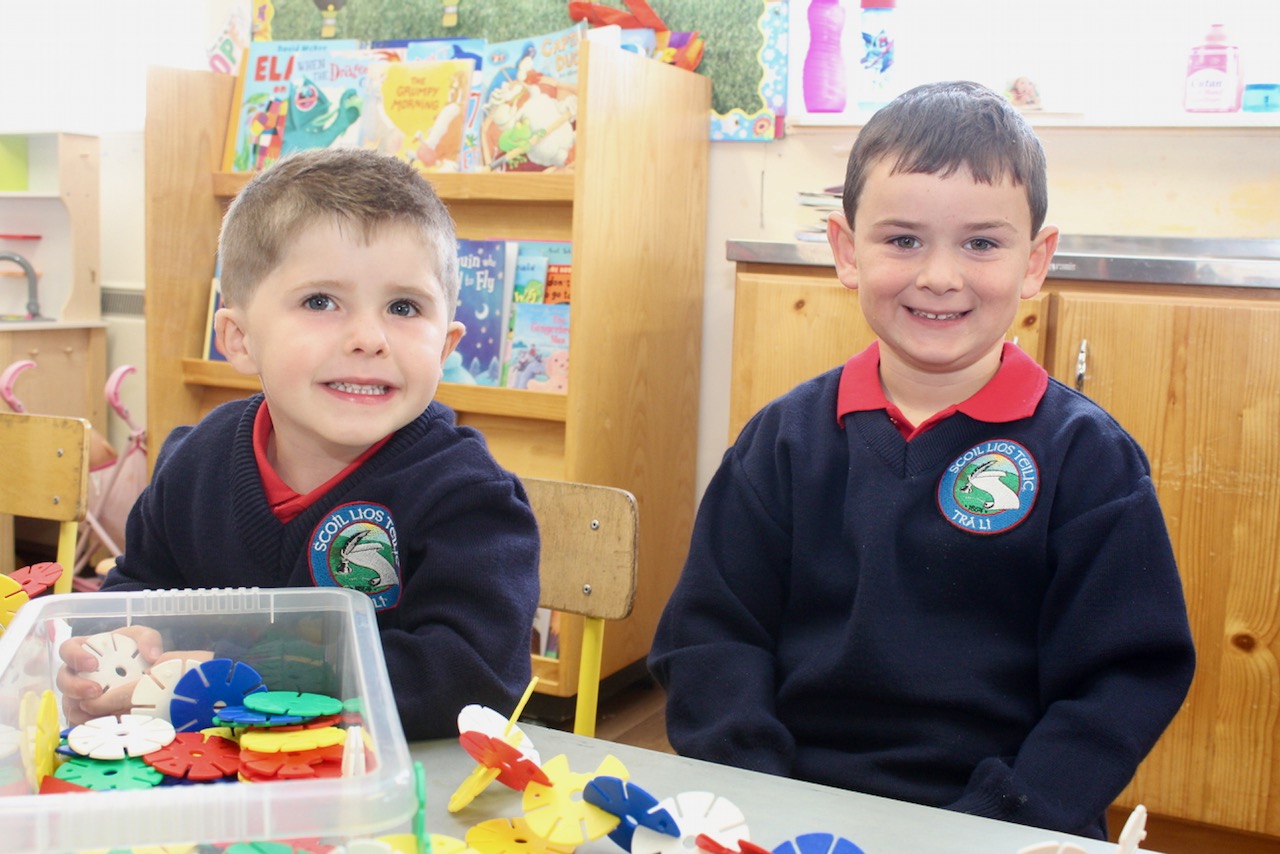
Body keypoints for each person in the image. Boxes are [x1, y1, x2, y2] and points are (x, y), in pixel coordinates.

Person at [648, 81, 1195, 839]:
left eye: (981, 242)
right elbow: (711, 639)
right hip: (787, 812)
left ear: (1036, 260)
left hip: (1008, 824)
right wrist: (762, 805)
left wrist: (998, 822)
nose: (940, 276)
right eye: (903, 240)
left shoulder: (1090, 460)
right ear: (846, 250)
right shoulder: (780, 443)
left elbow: (1124, 679)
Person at [57, 148, 540, 740]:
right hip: (208, 788)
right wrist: (118, 645)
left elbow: (470, 680)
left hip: (398, 803)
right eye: (320, 301)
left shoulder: (469, 496)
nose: (369, 337)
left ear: (445, 347)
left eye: (404, 307)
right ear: (238, 338)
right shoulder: (195, 462)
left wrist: (237, 681)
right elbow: (139, 588)